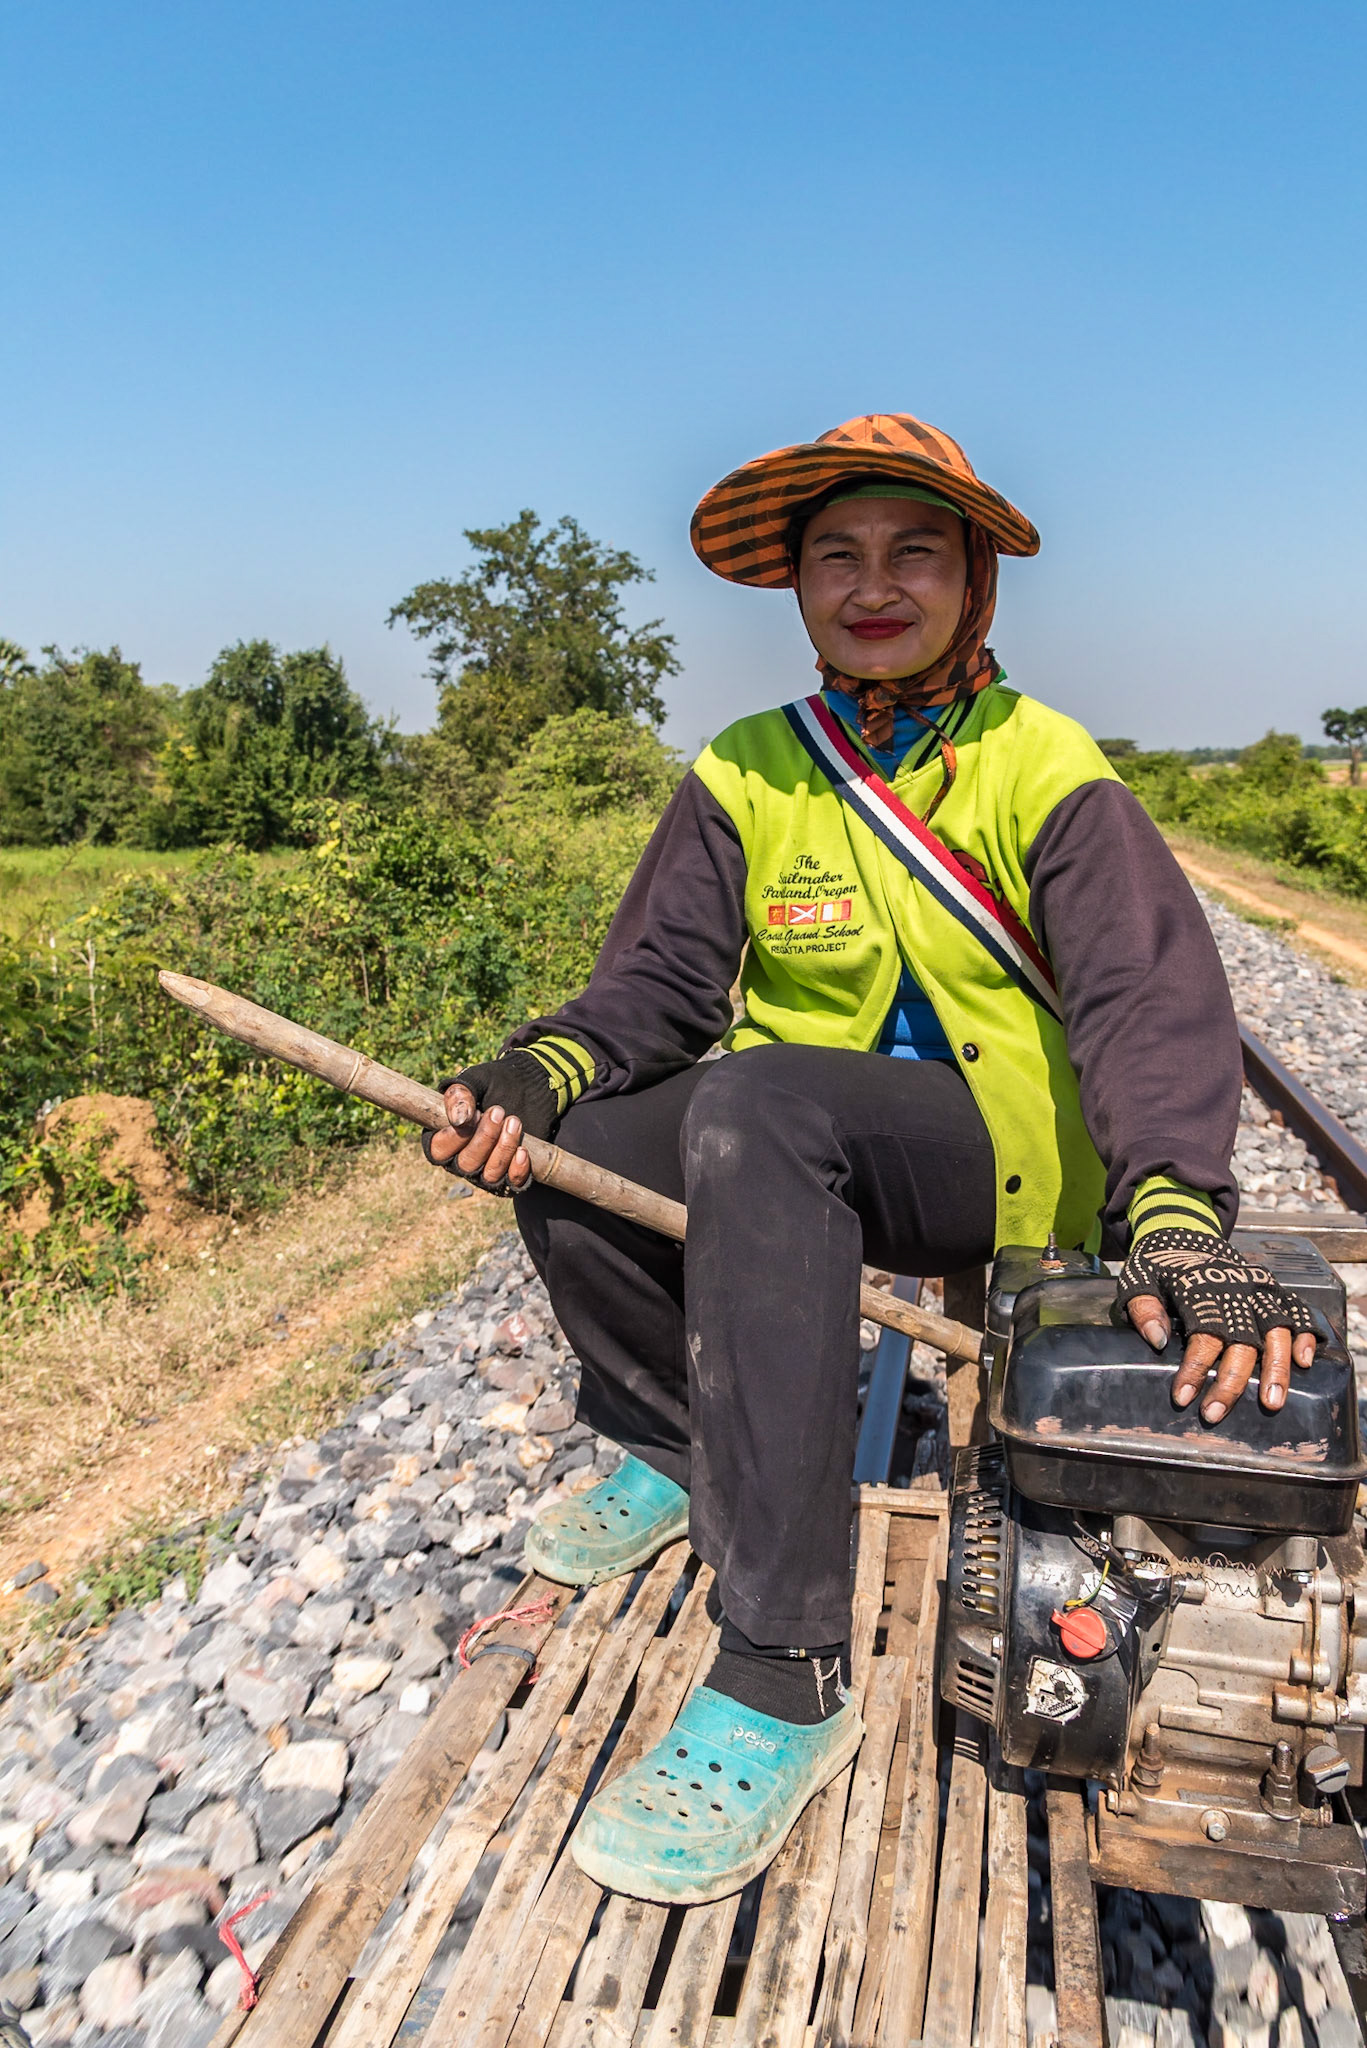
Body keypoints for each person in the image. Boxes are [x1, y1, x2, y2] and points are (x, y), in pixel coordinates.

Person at [424, 412, 1317, 1904]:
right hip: (791, 1137)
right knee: (580, 1135)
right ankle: (671, 1440)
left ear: (974, 579)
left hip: (1001, 1159)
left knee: (754, 1103)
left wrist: (1172, 1212)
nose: (873, 582)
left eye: (915, 550)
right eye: (836, 555)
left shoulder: (1043, 763)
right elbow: (656, 991)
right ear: (794, 589)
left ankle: (785, 1669)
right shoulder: (751, 768)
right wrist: (539, 1069)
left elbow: (1145, 997)